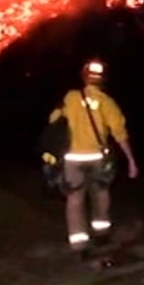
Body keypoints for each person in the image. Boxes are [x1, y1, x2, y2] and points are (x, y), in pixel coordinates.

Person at [48, 59, 138, 253]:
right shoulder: (106, 102)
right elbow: (119, 132)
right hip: (97, 158)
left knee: (75, 199)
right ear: (102, 79)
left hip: (73, 159)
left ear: (84, 77)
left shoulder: (71, 97)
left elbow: (54, 119)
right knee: (101, 194)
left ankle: (79, 243)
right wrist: (131, 160)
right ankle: (101, 235)